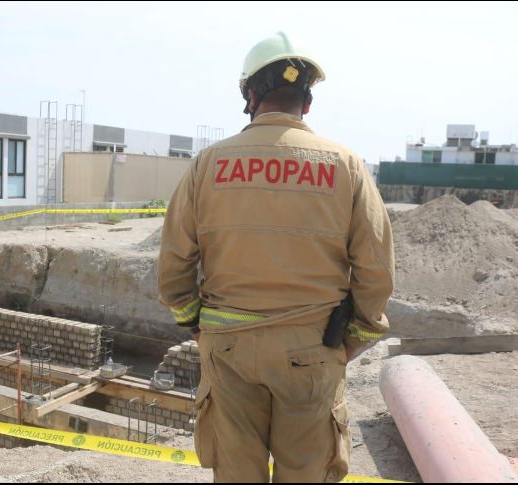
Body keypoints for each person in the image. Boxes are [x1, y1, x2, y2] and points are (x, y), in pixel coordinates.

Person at [157, 32, 394, 483]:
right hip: (314, 349)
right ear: (307, 104)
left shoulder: (208, 163)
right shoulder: (346, 164)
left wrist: (193, 323)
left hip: (227, 349)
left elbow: (174, 262)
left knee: (237, 473)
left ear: (250, 95)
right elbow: (375, 266)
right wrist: (357, 336)